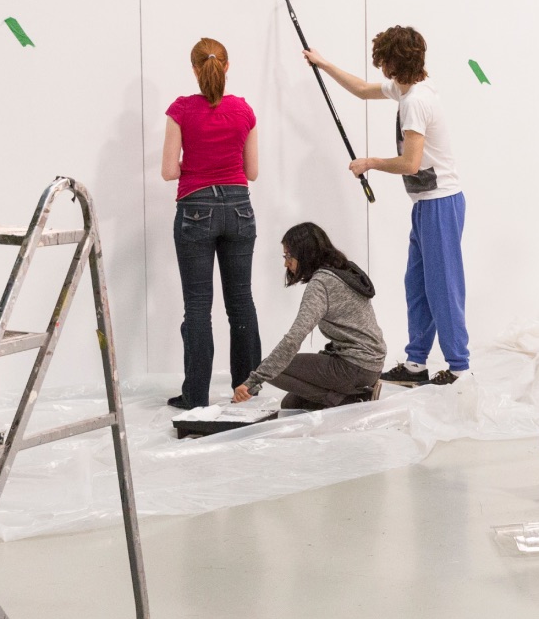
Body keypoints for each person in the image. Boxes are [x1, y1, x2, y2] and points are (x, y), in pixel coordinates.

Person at [304, 26, 469, 386]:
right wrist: (323, 64)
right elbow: (363, 90)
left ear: (393, 62)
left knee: (443, 288)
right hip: (426, 204)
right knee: (417, 285)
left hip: (441, 204)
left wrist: (370, 163)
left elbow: (410, 163)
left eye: (382, 59)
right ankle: (416, 365)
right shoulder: (407, 88)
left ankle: (460, 368)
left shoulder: (415, 102)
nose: (379, 66)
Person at [161, 38, 263, 410]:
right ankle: (247, 388)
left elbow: (168, 171)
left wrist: (196, 166)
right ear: (226, 66)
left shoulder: (181, 110)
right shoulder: (244, 110)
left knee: (198, 307)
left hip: (195, 209)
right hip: (239, 209)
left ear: (195, 69)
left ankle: (196, 396)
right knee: (241, 302)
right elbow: (252, 171)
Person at [235, 223, 387, 411]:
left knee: (275, 367)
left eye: (288, 256)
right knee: (291, 404)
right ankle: (349, 396)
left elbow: (294, 338)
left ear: (305, 254)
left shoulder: (321, 283)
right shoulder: (343, 273)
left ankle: (350, 402)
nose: (286, 264)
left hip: (355, 366)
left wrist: (253, 381)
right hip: (371, 366)